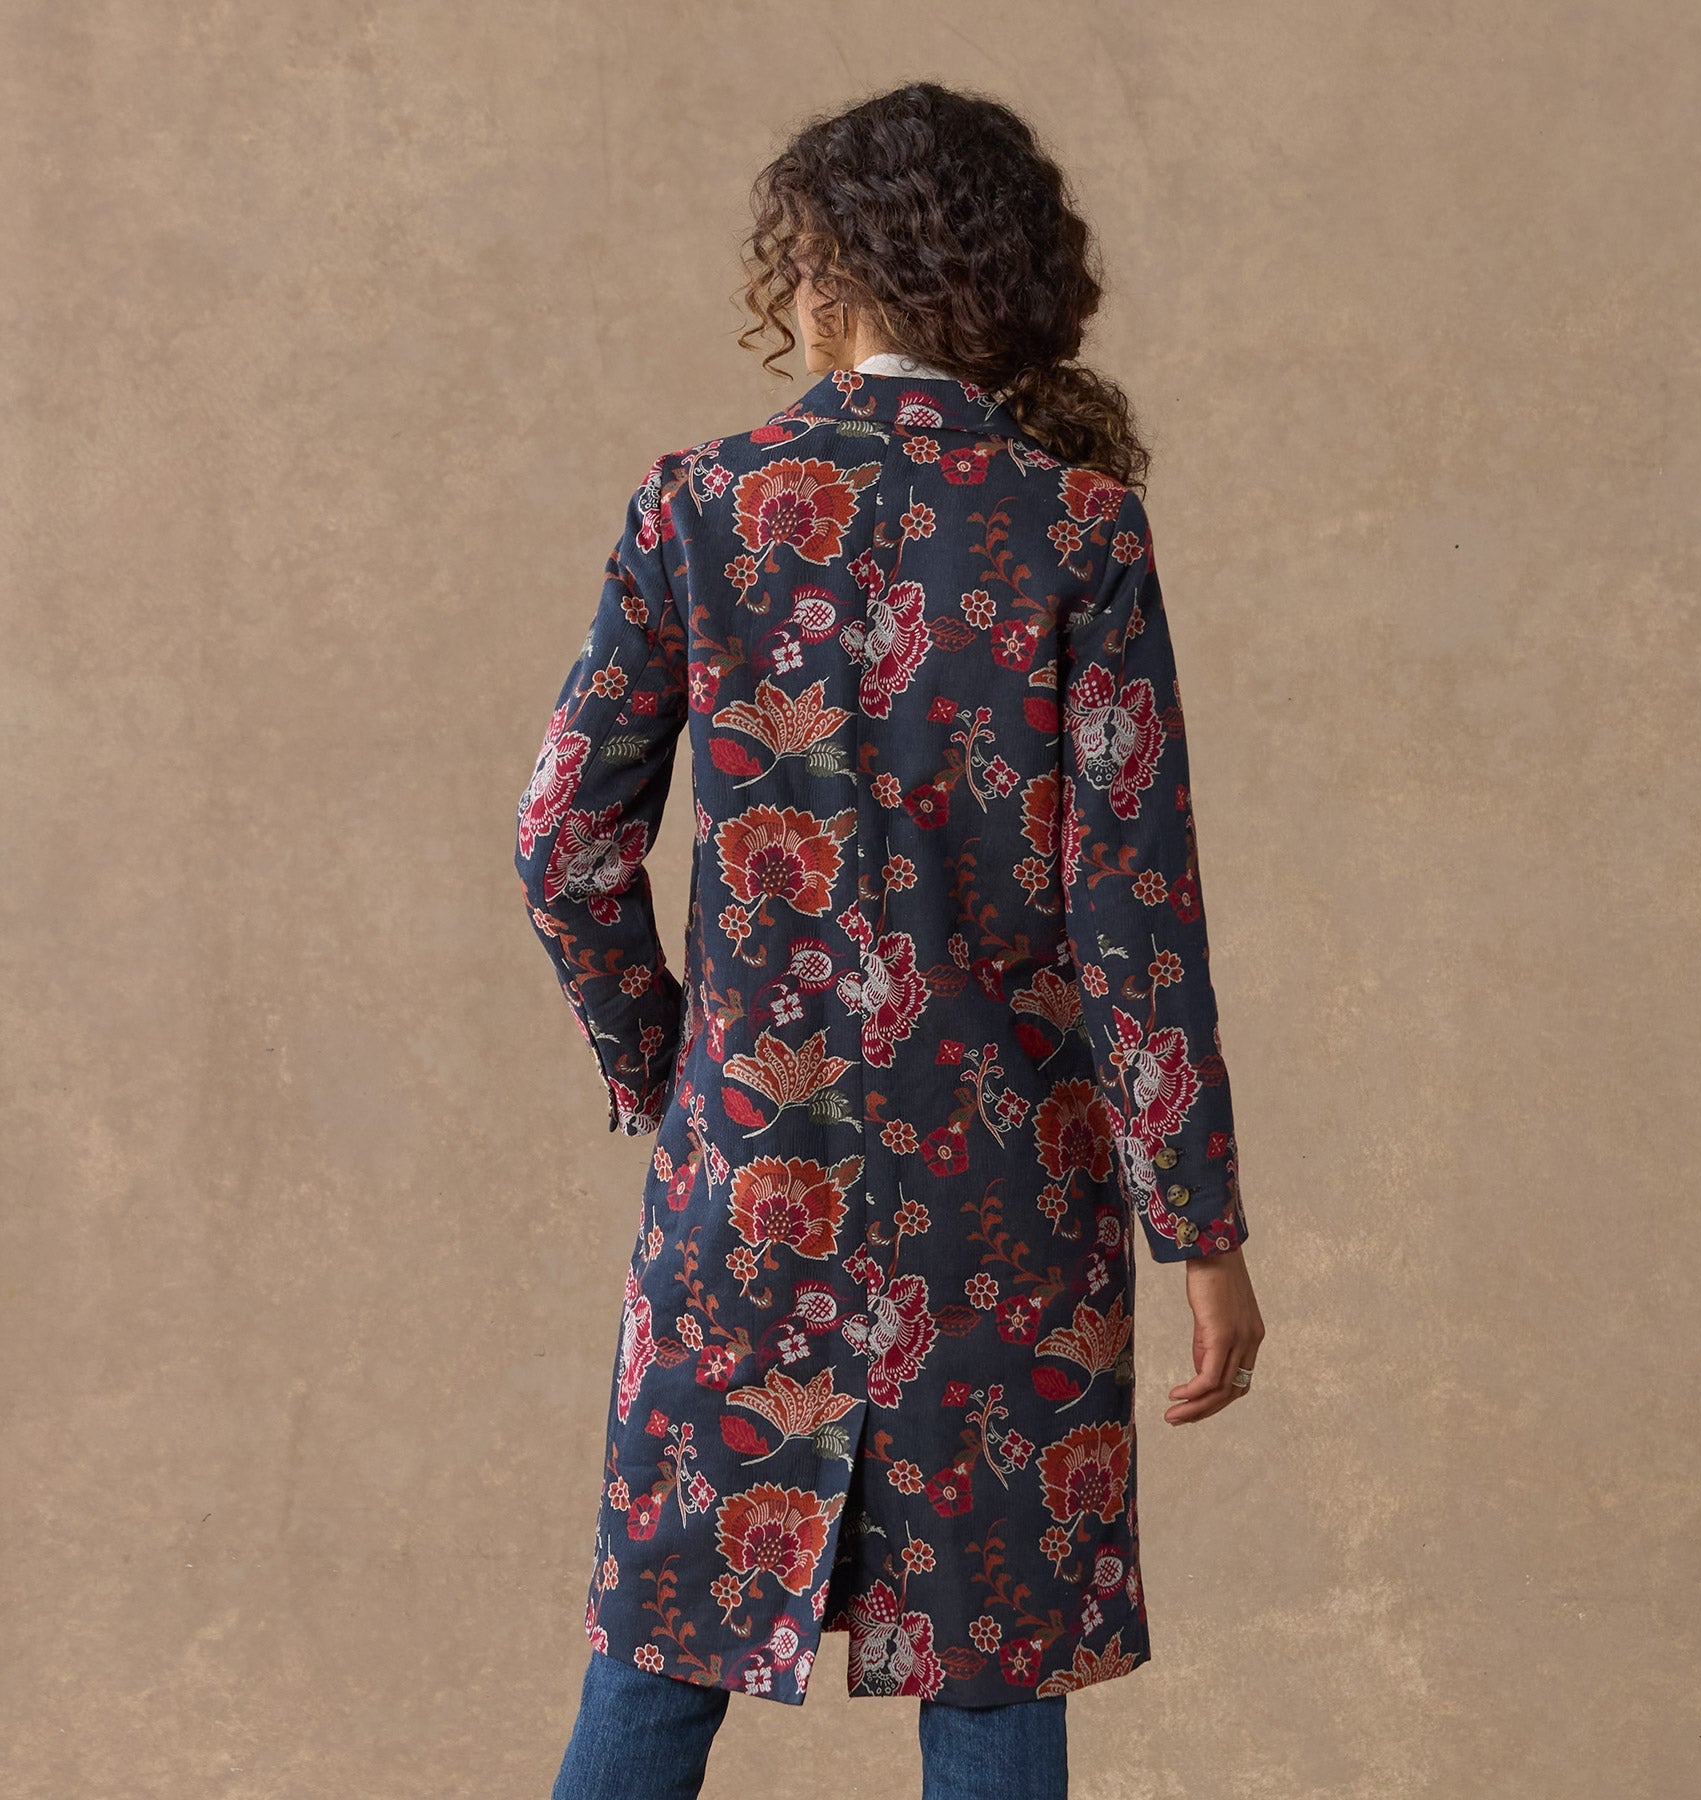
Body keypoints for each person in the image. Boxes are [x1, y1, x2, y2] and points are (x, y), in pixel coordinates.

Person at [516, 80, 1265, 1800]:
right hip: (1012, 1197)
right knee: (997, 1665)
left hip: (749, 1175)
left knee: (666, 1637)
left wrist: (671, 1064)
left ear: (830, 272)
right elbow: (1137, 918)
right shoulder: (1080, 528)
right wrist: (1200, 1228)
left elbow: (564, 842)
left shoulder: (696, 504)